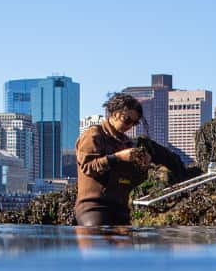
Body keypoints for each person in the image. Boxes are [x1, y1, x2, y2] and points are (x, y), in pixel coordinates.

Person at [74, 93, 199, 227]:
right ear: (115, 113)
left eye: (135, 123)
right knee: (97, 238)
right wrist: (118, 157)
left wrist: (144, 166)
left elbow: (134, 180)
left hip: (120, 207)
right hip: (93, 205)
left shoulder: (128, 144)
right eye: (127, 120)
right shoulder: (93, 135)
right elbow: (88, 167)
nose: (130, 126)